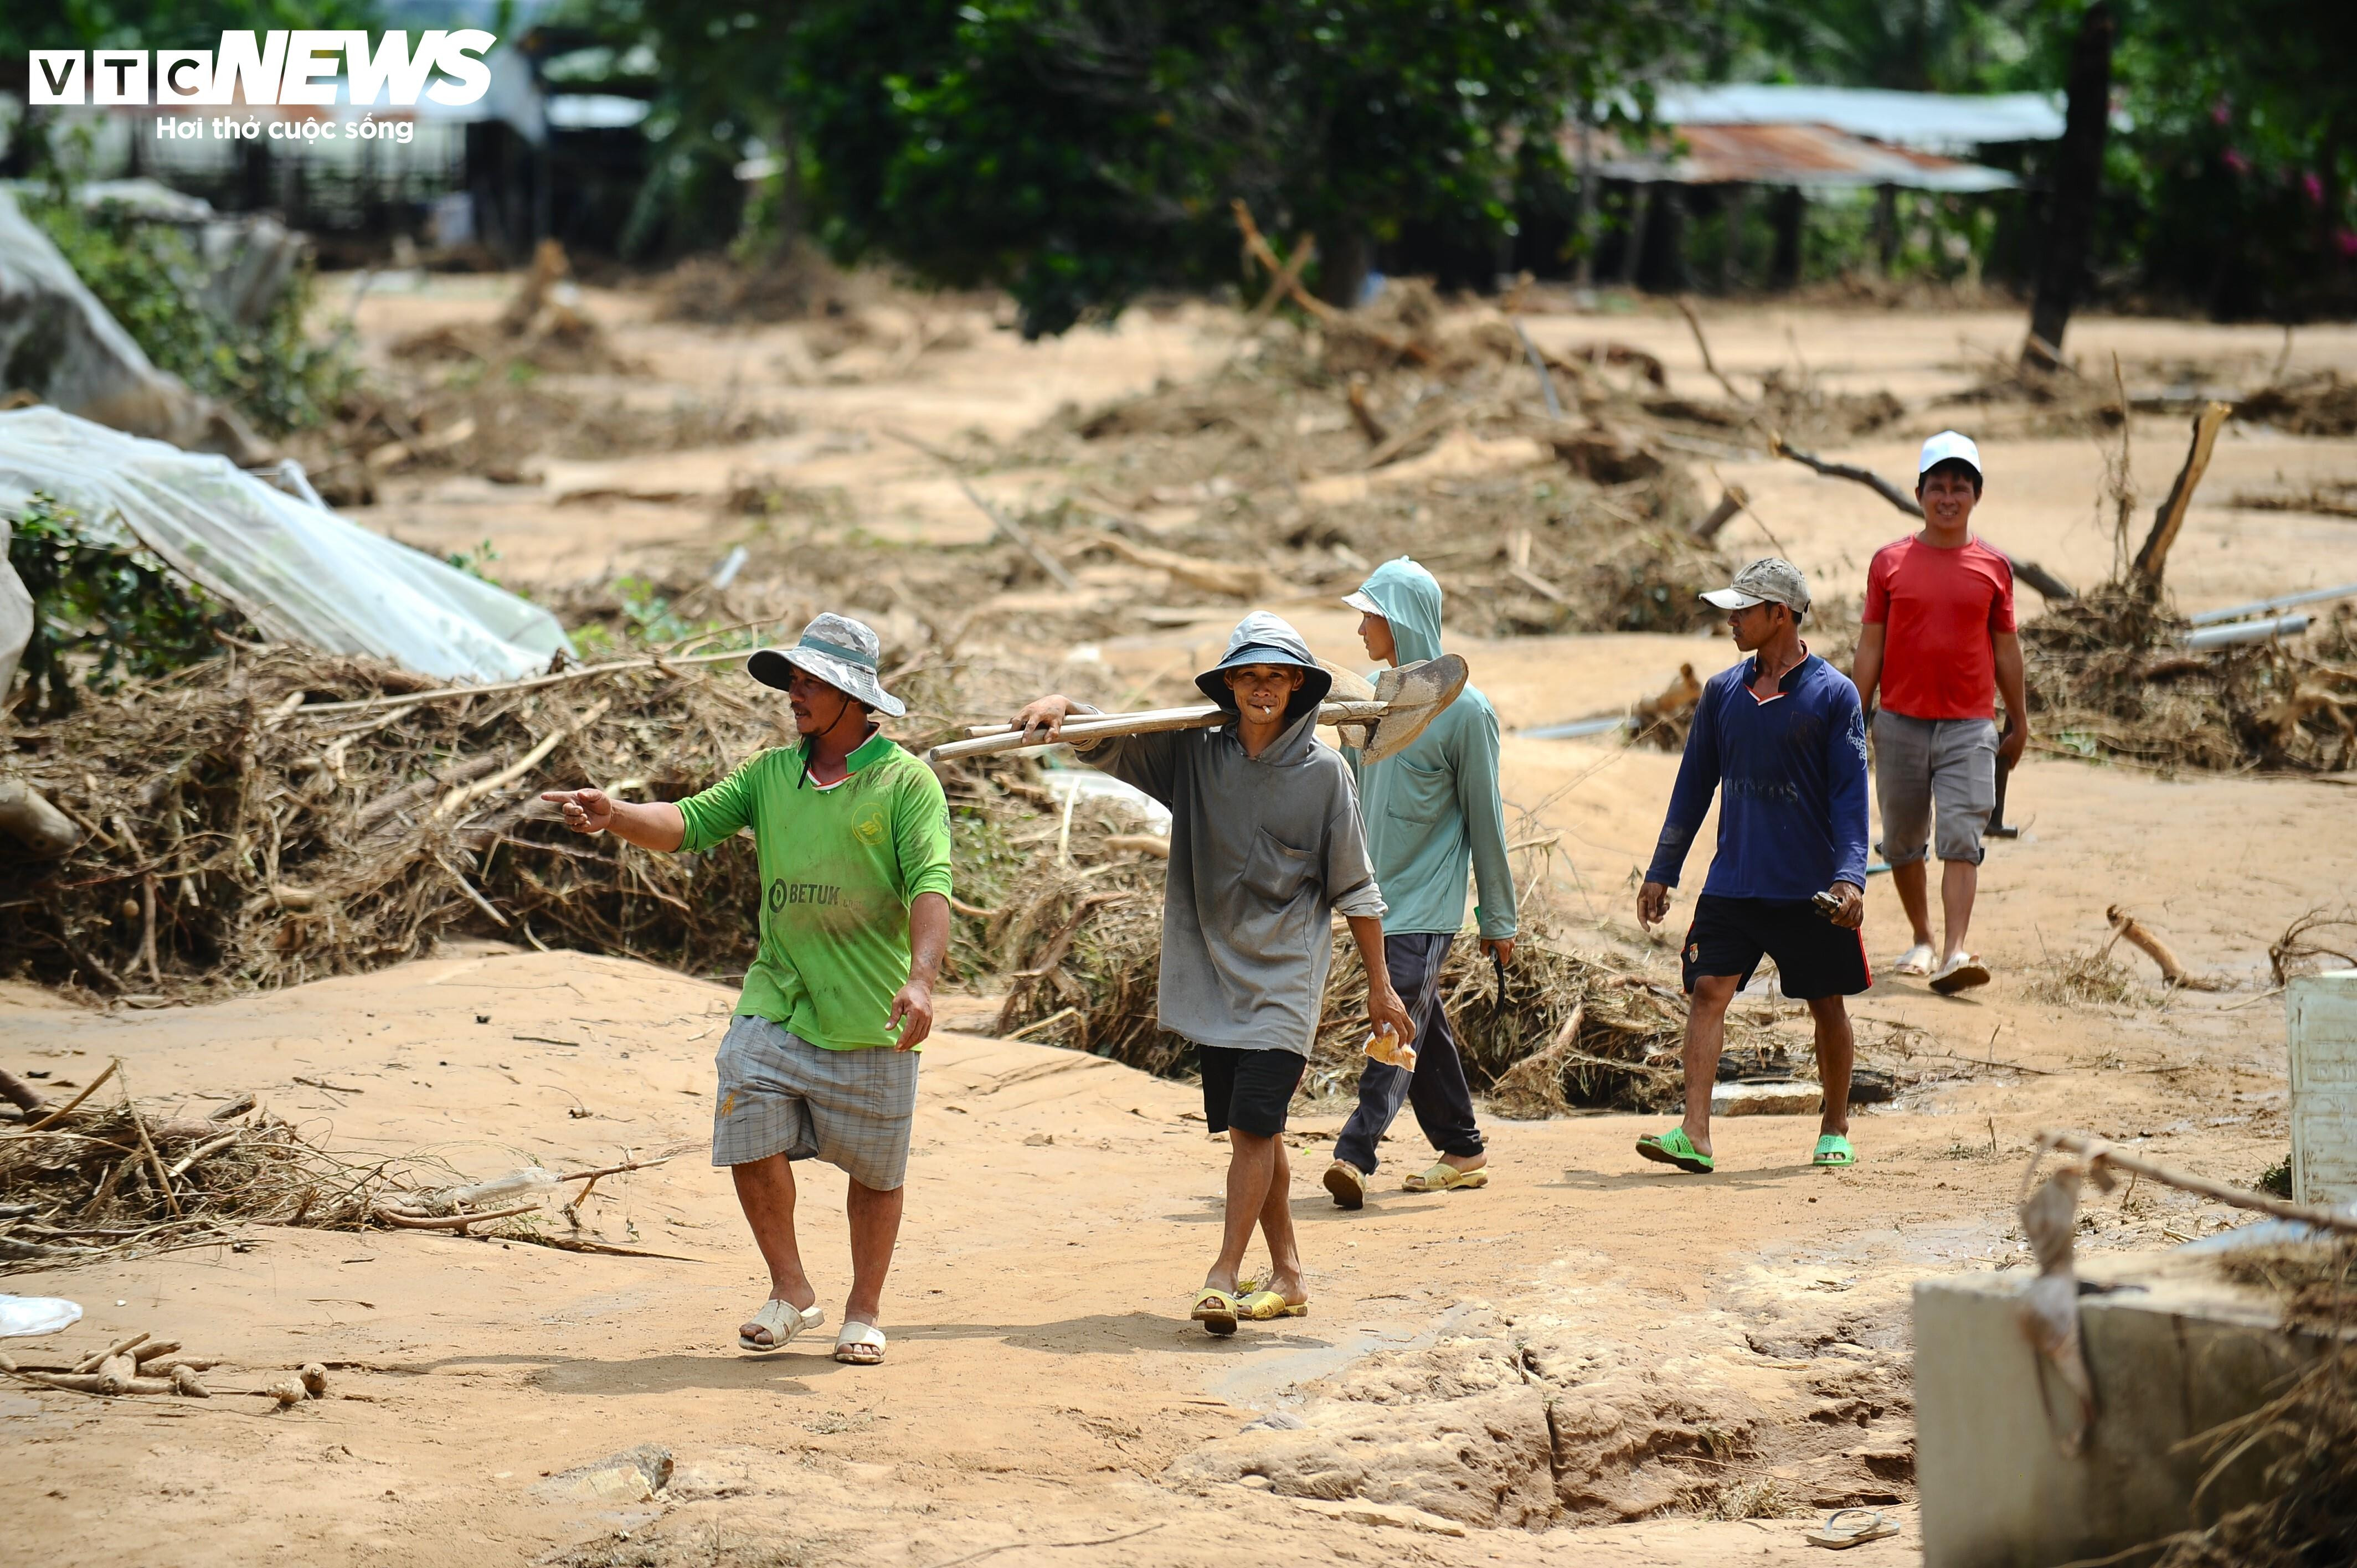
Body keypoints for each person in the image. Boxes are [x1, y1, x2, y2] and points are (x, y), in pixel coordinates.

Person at [541, 613, 951, 1367]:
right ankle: (792, 1289)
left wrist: (921, 982)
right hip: (779, 997)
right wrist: (616, 815)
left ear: (853, 697)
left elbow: (931, 883)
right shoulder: (769, 776)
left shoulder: (905, 782)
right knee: (745, 1100)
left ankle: (863, 1310)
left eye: (810, 683)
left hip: (872, 1008)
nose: (794, 694)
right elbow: (687, 824)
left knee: (876, 1170)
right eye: (792, 680)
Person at [1011, 612, 1411, 1335]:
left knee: (1257, 1126)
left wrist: (1383, 989)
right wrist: (1068, 709)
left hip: (1287, 983)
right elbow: (1117, 745)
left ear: (1298, 686)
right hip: (1216, 977)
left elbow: (1358, 889)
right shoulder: (1196, 758)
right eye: (1251, 675)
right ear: (1230, 685)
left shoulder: (1325, 776)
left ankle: (1223, 1274)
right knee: (1251, 1133)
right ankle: (1288, 1276)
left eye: (1279, 676)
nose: (1264, 689)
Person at [1634, 559, 1871, 1174]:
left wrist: (1850, 878)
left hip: (1808, 889)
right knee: (1708, 991)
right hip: (1733, 880)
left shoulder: (1833, 694)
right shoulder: (1720, 694)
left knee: (1825, 1003)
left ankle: (1835, 1124)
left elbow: (1850, 799)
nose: (1731, 619)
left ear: (1780, 615)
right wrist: (1663, 870)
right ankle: (1694, 1134)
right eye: (1730, 608)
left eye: (1743, 609)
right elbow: (1692, 787)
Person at [1322, 558, 1515, 1210]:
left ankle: (1355, 1151)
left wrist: (1498, 919)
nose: (1360, 631)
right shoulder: (1369, 698)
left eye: (1369, 616)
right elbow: (1344, 787)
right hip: (1374, 900)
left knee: (1394, 1019)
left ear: (1400, 621)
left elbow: (1485, 817)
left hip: (1427, 901)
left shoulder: (1467, 714)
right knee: (1421, 1026)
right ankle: (1462, 1150)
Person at [1851, 431, 2029, 996]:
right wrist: (1853, 715)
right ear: (1918, 493)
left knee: (1960, 837)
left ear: (1975, 495)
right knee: (1902, 840)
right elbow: (1870, 646)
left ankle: (1955, 951)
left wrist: (2018, 720)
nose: (1946, 498)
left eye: (1958, 487)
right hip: (1898, 722)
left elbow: (2006, 651)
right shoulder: (1889, 563)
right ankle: (1922, 938)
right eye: (1936, 487)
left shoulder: (1993, 568)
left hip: (1969, 727)